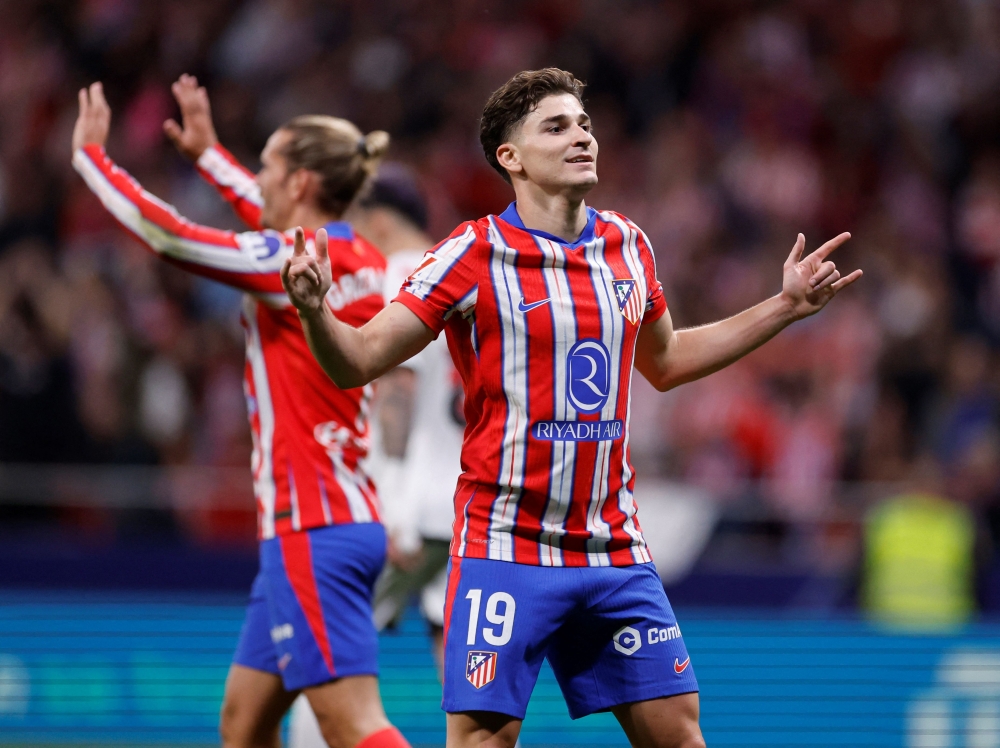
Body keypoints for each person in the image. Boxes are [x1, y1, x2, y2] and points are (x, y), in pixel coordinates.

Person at [281, 68, 862, 748]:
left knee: (679, 735)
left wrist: (784, 307)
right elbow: (357, 360)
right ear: (511, 156)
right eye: (556, 127)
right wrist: (314, 311)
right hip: (506, 546)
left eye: (584, 124)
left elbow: (667, 362)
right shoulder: (471, 254)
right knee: (481, 740)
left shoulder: (627, 245)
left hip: (612, 545)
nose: (582, 136)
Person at [71, 77, 411, 748]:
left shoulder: (293, 262)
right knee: (244, 721)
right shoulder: (357, 256)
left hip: (314, 526)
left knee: (353, 723)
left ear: (300, 181)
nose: (256, 180)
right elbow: (266, 209)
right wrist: (207, 155)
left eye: (266, 166)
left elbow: (170, 237)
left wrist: (91, 159)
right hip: (337, 514)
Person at [289, 164, 463, 748]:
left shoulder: (393, 276)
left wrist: (392, 506)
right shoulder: (459, 273)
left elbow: (397, 393)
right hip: (460, 503)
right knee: (461, 663)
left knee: (331, 649)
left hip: (406, 505)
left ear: (379, 220)